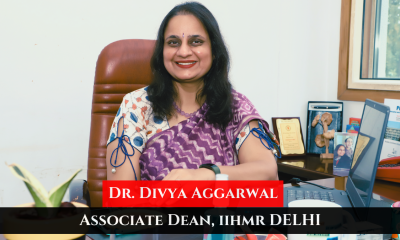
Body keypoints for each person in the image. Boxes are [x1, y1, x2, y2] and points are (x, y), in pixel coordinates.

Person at [105, 2, 280, 181]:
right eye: (173, 43)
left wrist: (207, 175)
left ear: (214, 50)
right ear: (162, 52)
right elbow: (122, 194)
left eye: (196, 42)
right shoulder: (137, 105)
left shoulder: (235, 107)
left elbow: (267, 171)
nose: (183, 52)